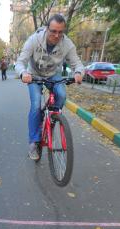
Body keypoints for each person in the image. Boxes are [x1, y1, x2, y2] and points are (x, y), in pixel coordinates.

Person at [15, 14, 84, 160]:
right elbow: (20, 62)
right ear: (47, 29)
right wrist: (23, 73)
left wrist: (78, 72)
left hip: (53, 74)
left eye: (60, 32)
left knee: (62, 95)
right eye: (53, 31)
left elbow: (77, 63)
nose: (57, 35)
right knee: (35, 104)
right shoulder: (34, 40)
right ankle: (34, 142)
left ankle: (53, 117)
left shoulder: (67, 44)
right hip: (34, 75)